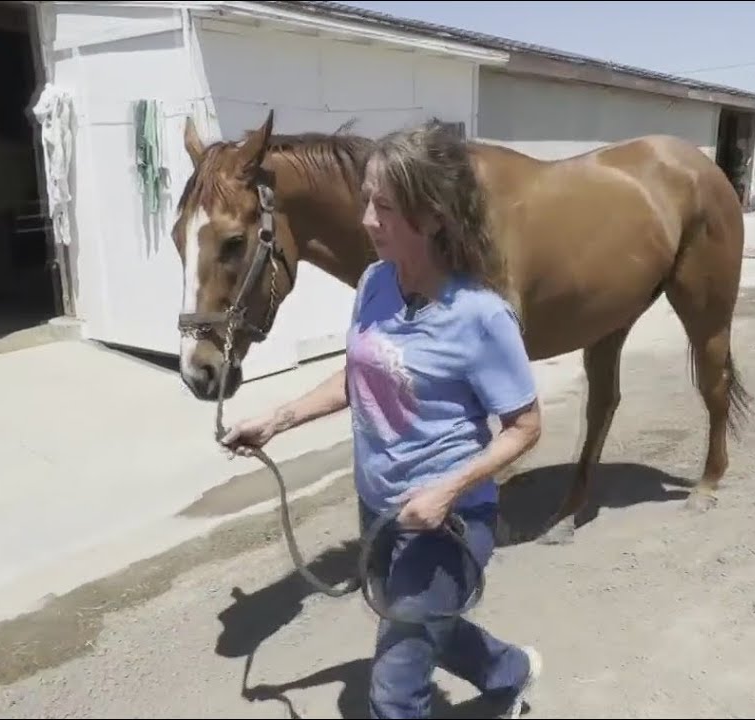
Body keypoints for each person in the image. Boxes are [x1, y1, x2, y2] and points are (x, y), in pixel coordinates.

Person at [219, 119, 544, 719]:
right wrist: (279, 418)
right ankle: (513, 672)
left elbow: (526, 426)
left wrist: (447, 491)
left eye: (385, 207)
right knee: (427, 624)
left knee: (394, 691)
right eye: (367, 200)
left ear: (434, 216)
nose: (368, 219)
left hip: (446, 522)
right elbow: (361, 374)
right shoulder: (375, 282)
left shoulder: (481, 316)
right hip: (379, 506)